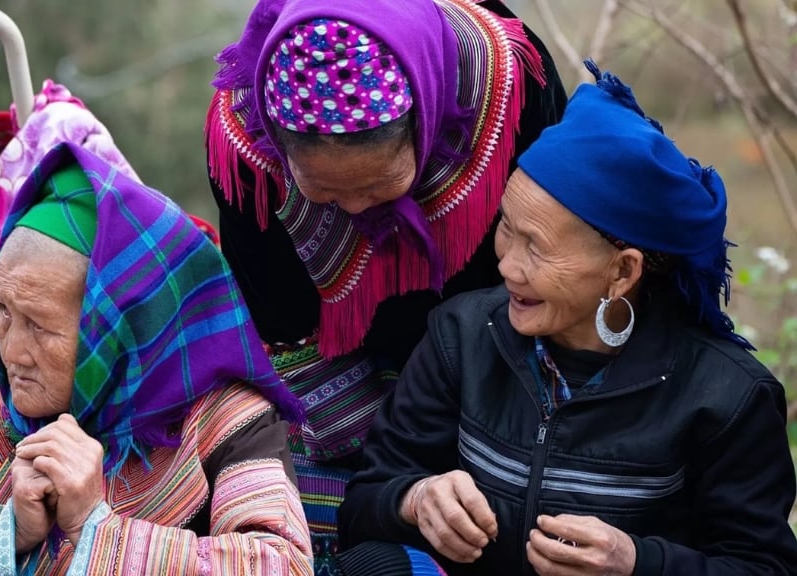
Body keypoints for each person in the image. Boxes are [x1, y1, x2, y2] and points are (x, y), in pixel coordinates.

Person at [336, 62, 797, 575]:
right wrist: (414, 499)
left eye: (537, 247)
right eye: (507, 229)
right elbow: (363, 506)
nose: (507, 265)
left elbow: (765, 566)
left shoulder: (725, 396)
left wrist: (638, 564)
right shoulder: (463, 336)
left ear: (622, 271)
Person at [0, 143, 313, 575]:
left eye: (40, 326)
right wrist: (5, 530)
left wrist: (97, 527)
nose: (11, 350)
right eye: (3, 312)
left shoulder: (224, 424)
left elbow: (282, 564)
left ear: (119, 332)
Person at [204, 0, 566, 569]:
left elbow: (552, 253)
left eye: (379, 186)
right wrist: (398, 473)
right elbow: (278, 320)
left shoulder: (506, 83)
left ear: (426, 126)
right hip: (337, 373)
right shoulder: (245, 141)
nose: (354, 209)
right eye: (322, 193)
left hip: (496, 341)